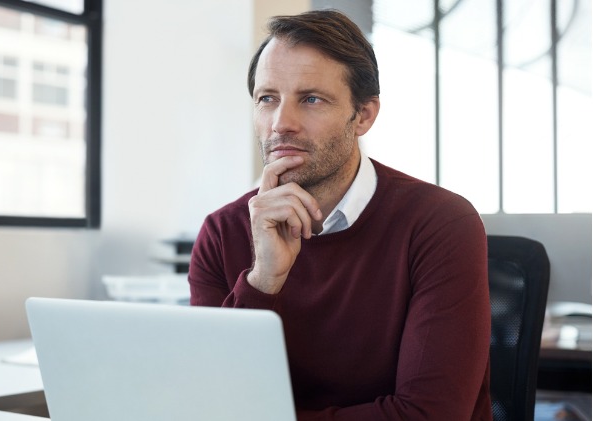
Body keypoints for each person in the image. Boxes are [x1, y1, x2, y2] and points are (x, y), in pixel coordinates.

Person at [188, 9, 493, 420]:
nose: (282, 124)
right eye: (267, 99)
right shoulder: (222, 233)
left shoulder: (440, 224)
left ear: (363, 115)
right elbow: (204, 401)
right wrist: (262, 281)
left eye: (311, 99)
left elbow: (430, 414)